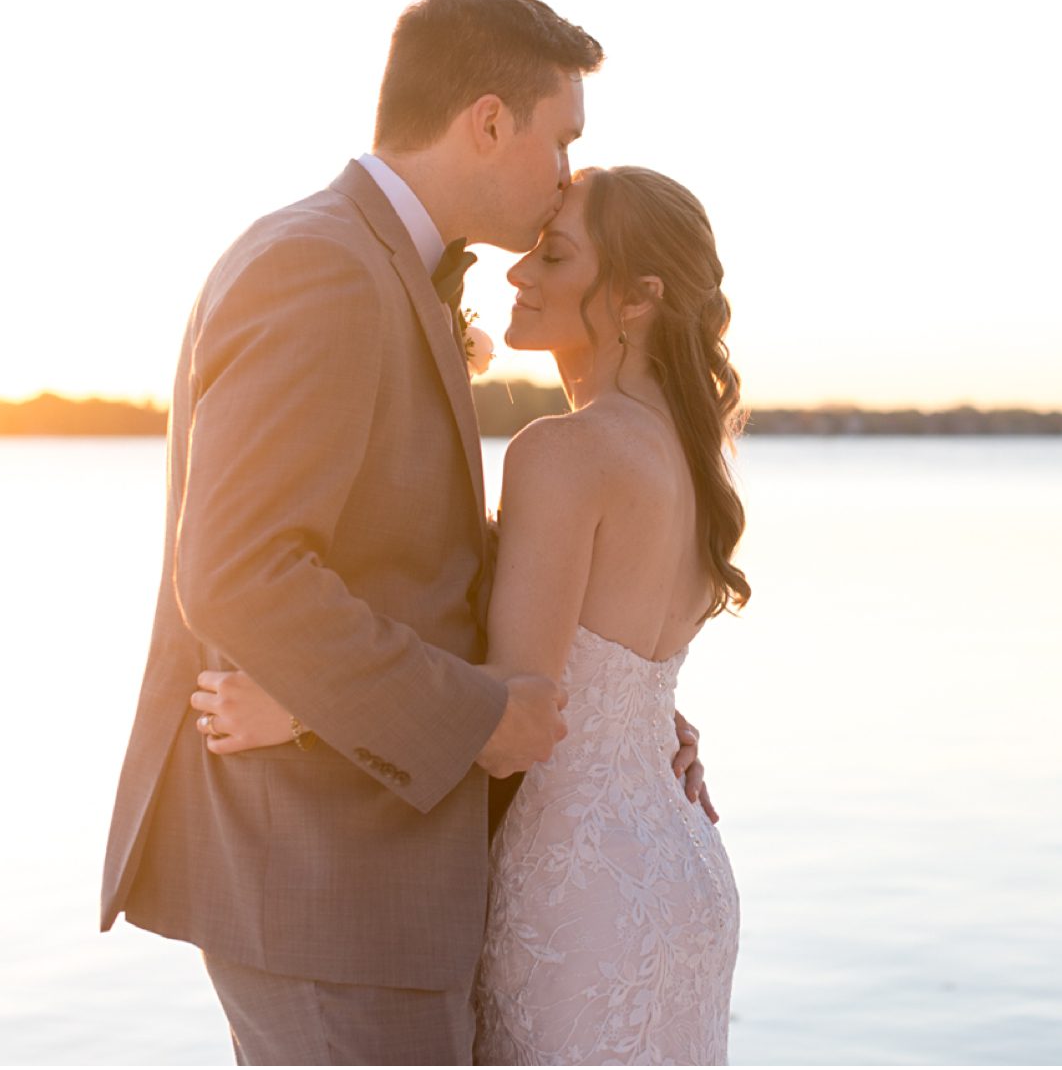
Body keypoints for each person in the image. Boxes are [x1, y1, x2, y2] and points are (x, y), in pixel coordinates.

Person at [99, 0, 708, 1066]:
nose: (565, 173)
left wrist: (626, 708)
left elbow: (414, 559)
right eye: (560, 138)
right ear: (486, 122)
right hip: (325, 877)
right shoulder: (319, 265)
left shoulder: (381, 268)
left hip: (389, 881)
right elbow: (238, 573)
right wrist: (474, 717)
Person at [200, 165, 747, 1063]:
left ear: (639, 299)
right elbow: (607, 672)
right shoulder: (692, 462)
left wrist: (300, 709)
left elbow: (512, 712)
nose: (517, 274)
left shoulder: (565, 452)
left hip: (579, 884)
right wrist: (658, 724)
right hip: (680, 863)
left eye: (556, 257)